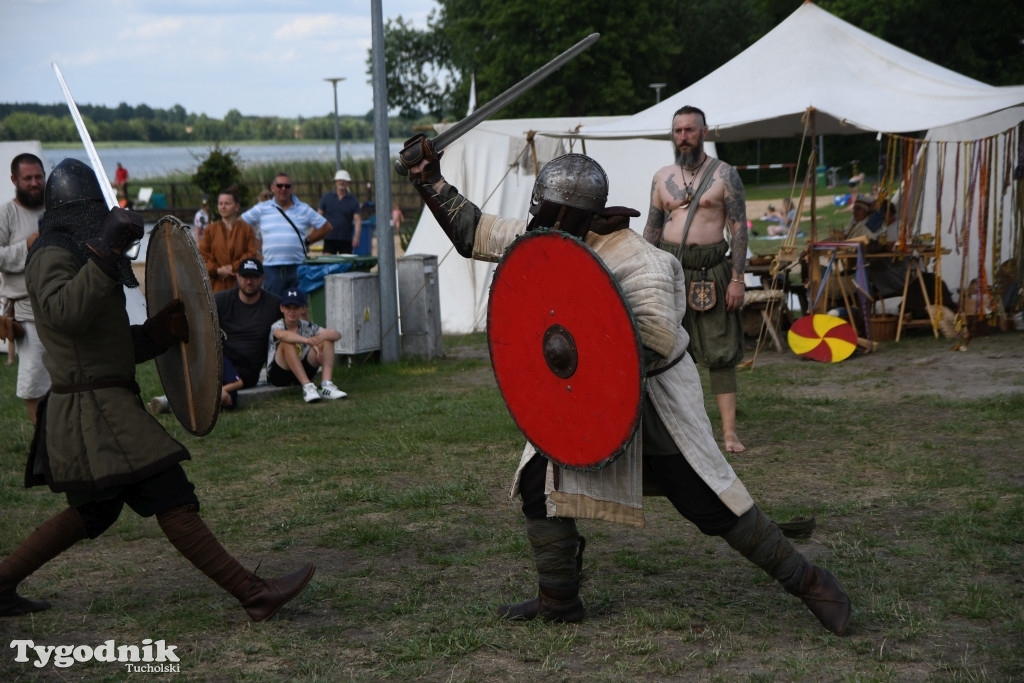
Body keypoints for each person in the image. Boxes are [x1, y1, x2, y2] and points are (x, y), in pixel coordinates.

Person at [400, 146, 851, 635]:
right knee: (539, 484)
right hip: (583, 396)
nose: (536, 218)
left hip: (654, 401)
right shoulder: (550, 237)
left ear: (570, 212)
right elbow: (475, 232)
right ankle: (559, 599)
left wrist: (586, 321)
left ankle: (810, 583)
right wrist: (430, 180)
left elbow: (652, 338)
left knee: (708, 503)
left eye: (546, 210)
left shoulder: (643, 262)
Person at [1, 158, 314, 621]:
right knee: (171, 493)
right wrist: (107, 251)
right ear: (76, 209)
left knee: (96, 512)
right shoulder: (50, 254)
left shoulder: (76, 252)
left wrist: (155, 335)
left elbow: (102, 344)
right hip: (94, 412)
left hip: (99, 404)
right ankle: (254, 593)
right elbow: (64, 315)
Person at [644, 106, 748, 454]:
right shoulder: (661, 178)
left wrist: (737, 278)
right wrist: (644, 274)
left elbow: (738, 229)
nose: (683, 136)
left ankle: (730, 434)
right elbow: (653, 230)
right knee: (667, 350)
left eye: (690, 130)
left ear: (704, 132)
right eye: (678, 131)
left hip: (712, 271)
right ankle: (679, 430)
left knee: (720, 351)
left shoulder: (725, 175)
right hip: (671, 271)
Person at [0, 153, 51, 424]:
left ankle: (65, 437)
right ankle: (40, 442)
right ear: (14, 180)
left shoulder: (56, 209)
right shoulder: (6, 213)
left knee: (67, 376)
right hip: (26, 310)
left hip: (62, 307)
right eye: (27, 178)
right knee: (34, 380)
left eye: (38, 177)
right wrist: (26, 247)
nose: (34, 183)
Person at [242, 172, 332, 297]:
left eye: (287, 186)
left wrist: (307, 241)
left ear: (292, 188)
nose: (283, 189)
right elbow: (240, 225)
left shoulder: (303, 208)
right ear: (272, 188)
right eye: (279, 186)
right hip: (272, 268)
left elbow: (326, 227)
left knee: (298, 306)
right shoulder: (262, 208)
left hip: (297, 266)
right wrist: (256, 243)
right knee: (272, 307)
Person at [266, 288, 346, 403]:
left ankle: (326, 385)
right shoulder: (277, 325)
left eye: (296, 308)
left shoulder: (307, 325)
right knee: (287, 342)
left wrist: (320, 338)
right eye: (288, 307)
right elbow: (283, 335)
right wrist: (309, 341)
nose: (291, 312)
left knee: (327, 339)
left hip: (303, 368)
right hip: (280, 373)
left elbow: (337, 335)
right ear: (281, 308)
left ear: (303, 309)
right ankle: (307, 386)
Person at [215, 257, 281, 389]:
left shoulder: (275, 304)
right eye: (245, 277)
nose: (249, 282)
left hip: (249, 368)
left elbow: (296, 321)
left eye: (254, 277)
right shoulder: (220, 300)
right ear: (237, 277)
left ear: (263, 278)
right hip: (223, 361)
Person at [199, 189, 259, 293]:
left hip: (239, 283)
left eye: (227, 203)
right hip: (215, 284)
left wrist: (233, 267)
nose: (223, 207)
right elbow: (202, 256)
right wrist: (217, 270)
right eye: (220, 203)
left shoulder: (247, 230)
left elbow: (251, 254)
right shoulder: (210, 230)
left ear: (236, 207)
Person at [318, 170, 361, 255]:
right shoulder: (326, 198)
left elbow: (357, 220)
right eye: (339, 180)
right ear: (335, 182)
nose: (342, 182)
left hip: (346, 239)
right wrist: (317, 233)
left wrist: (356, 237)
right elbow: (318, 216)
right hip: (329, 238)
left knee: (346, 265)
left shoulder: (353, 200)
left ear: (348, 183)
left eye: (344, 180)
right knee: (327, 264)